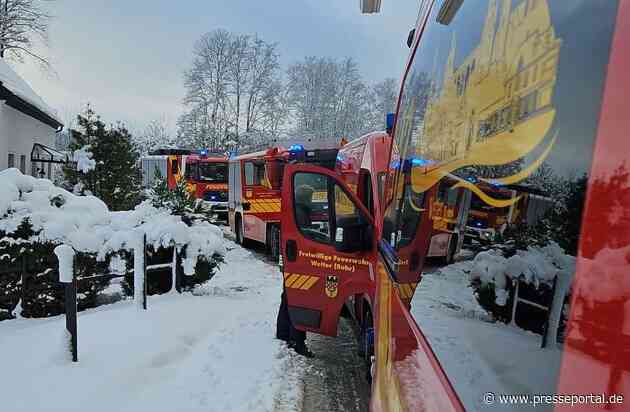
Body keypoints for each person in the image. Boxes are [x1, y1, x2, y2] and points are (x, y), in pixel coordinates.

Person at [276, 184, 315, 358]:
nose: (312, 199)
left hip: (290, 260)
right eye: (310, 196)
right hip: (298, 262)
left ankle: (283, 331)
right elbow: (303, 237)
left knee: (287, 296)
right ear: (304, 197)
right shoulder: (301, 212)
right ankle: (297, 340)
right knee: (301, 299)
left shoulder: (292, 210)